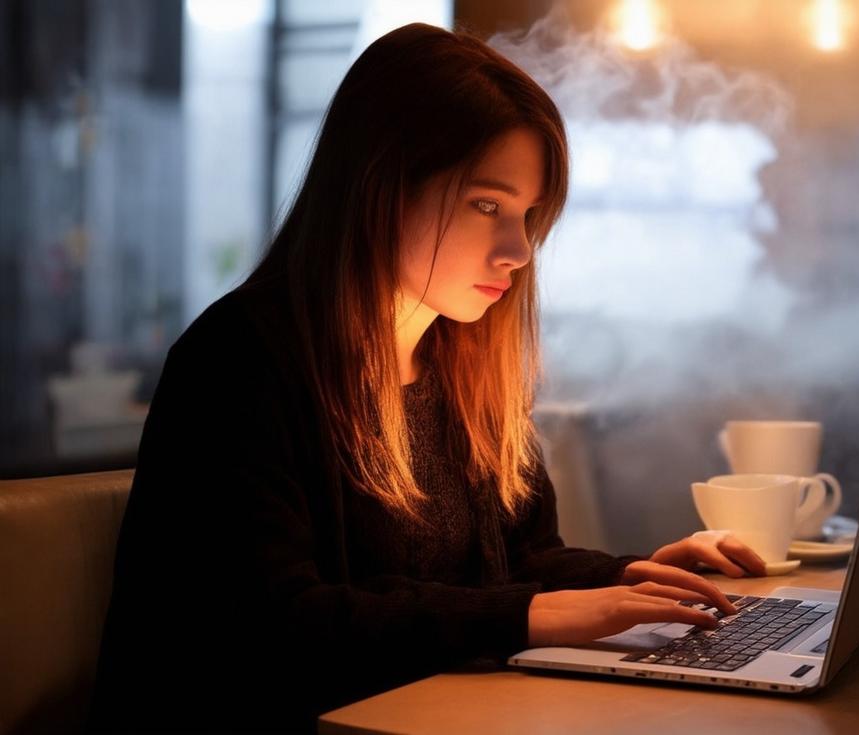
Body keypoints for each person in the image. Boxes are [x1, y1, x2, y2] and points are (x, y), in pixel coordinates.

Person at [87, 23, 766, 734]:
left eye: (529, 217)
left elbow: (518, 559)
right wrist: (530, 613)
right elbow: (273, 623)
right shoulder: (239, 358)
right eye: (486, 205)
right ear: (382, 183)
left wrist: (629, 576)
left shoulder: (460, 361)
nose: (518, 252)